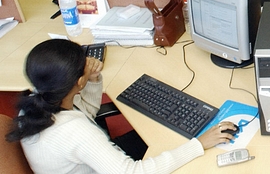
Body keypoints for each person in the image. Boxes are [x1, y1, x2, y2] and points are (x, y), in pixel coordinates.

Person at [6, 39, 237, 173]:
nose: (89, 60)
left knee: (162, 138)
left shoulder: (36, 101)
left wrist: (93, 78)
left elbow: (83, 114)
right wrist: (199, 144)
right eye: (84, 61)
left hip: (89, 161)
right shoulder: (74, 133)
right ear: (78, 82)